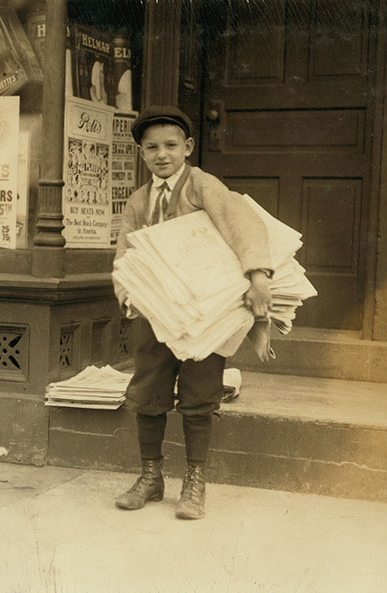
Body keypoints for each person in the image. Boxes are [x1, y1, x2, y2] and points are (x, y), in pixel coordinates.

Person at [113, 105, 274, 520]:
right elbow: (125, 253)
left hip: (206, 311)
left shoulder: (202, 185)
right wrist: (127, 293)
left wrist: (257, 276)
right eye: (151, 148)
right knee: (148, 390)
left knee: (200, 393)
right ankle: (150, 476)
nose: (161, 154)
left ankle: (194, 481)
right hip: (157, 311)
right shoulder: (138, 200)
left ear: (187, 147)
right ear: (141, 153)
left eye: (170, 145)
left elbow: (244, 224)